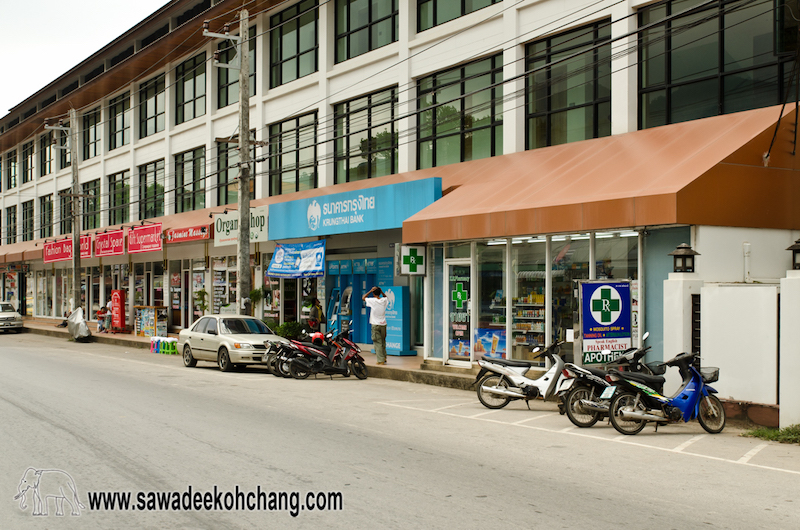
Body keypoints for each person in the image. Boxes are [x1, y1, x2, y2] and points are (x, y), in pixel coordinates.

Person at [362, 286, 389, 365]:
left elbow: (363, 297)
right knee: (383, 341)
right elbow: (386, 297)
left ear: (373, 293)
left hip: (375, 324)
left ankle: (380, 360)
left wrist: (370, 290)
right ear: (380, 293)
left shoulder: (372, 300)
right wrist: (381, 291)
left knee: (377, 342)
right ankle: (384, 357)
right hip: (383, 324)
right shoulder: (384, 300)